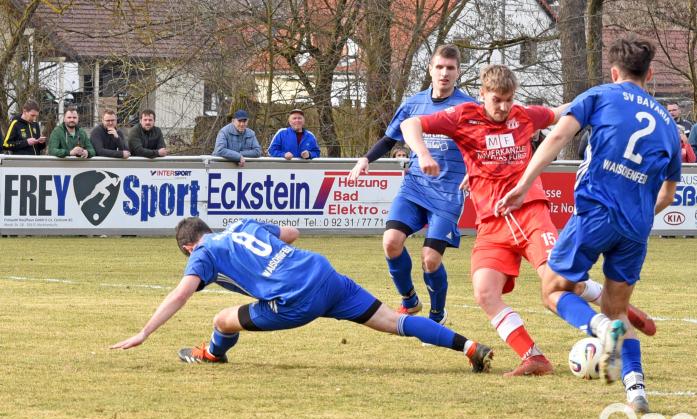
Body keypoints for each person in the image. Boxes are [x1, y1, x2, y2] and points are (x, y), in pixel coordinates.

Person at [400, 64, 657, 377]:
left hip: (529, 212)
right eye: (497, 100)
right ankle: (533, 357)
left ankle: (619, 308)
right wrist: (423, 154)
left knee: (561, 283)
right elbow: (411, 123)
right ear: (482, 95)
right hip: (491, 222)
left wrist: (605, 97)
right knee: (484, 292)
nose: (504, 107)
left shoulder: (523, 116)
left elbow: (561, 112)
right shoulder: (463, 116)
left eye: (509, 99)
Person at [496, 36, 681, 413]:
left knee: (552, 290)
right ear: (649, 75)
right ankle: (636, 390)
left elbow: (559, 135)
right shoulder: (667, 124)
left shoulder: (600, 95)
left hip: (596, 212)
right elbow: (668, 194)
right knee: (618, 309)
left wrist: (524, 184)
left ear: (614, 73)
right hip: (636, 228)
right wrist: (641, 215)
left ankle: (599, 330)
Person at [110, 217, 495, 374]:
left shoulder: (203, 253)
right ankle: (470, 347)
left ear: (188, 248)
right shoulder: (242, 224)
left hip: (295, 298)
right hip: (322, 273)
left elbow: (181, 295)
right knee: (396, 322)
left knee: (222, 320)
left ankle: (212, 354)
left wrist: (145, 332)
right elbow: (292, 234)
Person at [346, 45, 475, 325]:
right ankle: (409, 300)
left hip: (448, 193)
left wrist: (476, 171)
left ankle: (437, 315)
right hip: (415, 187)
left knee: (430, 260)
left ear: (458, 72)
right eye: (439, 67)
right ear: (430, 69)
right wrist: (366, 159)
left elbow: (482, 146)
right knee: (391, 242)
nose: (444, 73)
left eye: (450, 68)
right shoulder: (413, 103)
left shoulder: (470, 107)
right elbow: (389, 139)